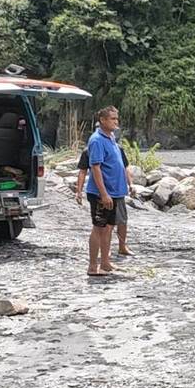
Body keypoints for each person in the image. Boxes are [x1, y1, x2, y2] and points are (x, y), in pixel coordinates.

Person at [75, 124, 134, 257]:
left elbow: (125, 167)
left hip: (118, 190)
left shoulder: (117, 147)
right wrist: (79, 191)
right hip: (103, 192)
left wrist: (131, 184)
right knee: (103, 226)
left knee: (121, 220)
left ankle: (121, 247)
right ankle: (101, 259)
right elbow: (84, 171)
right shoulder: (91, 147)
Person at [83, 106, 129, 277]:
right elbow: (95, 167)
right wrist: (103, 193)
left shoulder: (110, 137)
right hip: (101, 193)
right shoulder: (96, 140)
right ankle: (92, 266)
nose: (115, 122)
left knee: (109, 227)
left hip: (115, 192)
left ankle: (106, 262)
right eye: (112, 119)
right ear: (102, 120)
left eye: (117, 119)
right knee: (99, 227)